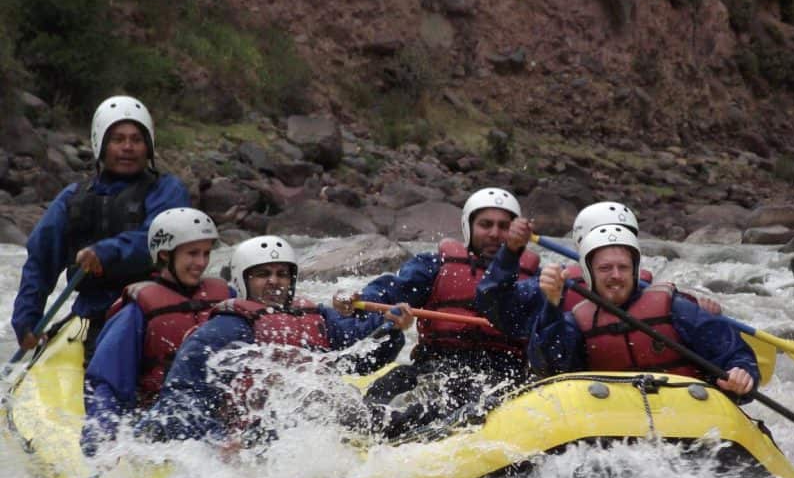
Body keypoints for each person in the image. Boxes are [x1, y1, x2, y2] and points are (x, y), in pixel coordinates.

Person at [134, 236, 408, 445]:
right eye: (263, 274)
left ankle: (411, 428)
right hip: (256, 434)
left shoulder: (315, 314)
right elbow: (186, 393)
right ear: (244, 279)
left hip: (317, 418)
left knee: (364, 401)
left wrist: (391, 327)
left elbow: (361, 354)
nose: (274, 281)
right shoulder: (227, 326)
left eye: (282, 274)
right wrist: (214, 441)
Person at [341, 187, 540, 436]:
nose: (494, 233)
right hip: (436, 367)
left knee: (473, 401)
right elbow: (390, 290)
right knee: (387, 391)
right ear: (469, 227)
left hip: (502, 373)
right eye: (485, 224)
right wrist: (364, 302)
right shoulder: (435, 266)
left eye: (503, 226)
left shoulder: (536, 280)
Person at [10, 96, 189, 359]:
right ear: (101, 144)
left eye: (136, 140)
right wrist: (27, 318)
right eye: (118, 139)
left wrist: (106, 251)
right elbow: (40, 261)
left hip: (152, 311)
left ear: (148, 147)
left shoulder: (167, 191)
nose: (128, 147)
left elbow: (159, 239)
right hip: (92, 315)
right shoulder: (72, 199)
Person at [528, 225, 758, 400]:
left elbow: (735, 354)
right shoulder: (575, 322)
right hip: (612, 419)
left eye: (623, 267)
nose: (616, 275)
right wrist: (551, 306)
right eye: (605, 268)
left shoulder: (678, 310)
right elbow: (549, 368)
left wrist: (742, 374)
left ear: (635, 271)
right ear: (589, 273)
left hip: (685, 412)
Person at [80, 208, 231, 456]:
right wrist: (101, 443)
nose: (201, 263)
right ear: (164, 254)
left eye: (206, 253)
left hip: (216, 418)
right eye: (192, 253)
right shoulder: (137, 310)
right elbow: (108, 383)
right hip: (161, 424)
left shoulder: (226, 298)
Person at [475, 200, 720, 343]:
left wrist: (708, 317)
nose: (612, 247)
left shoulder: (659, 298)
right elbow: (493, 304)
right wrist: (511, 252)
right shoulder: (553, 284)